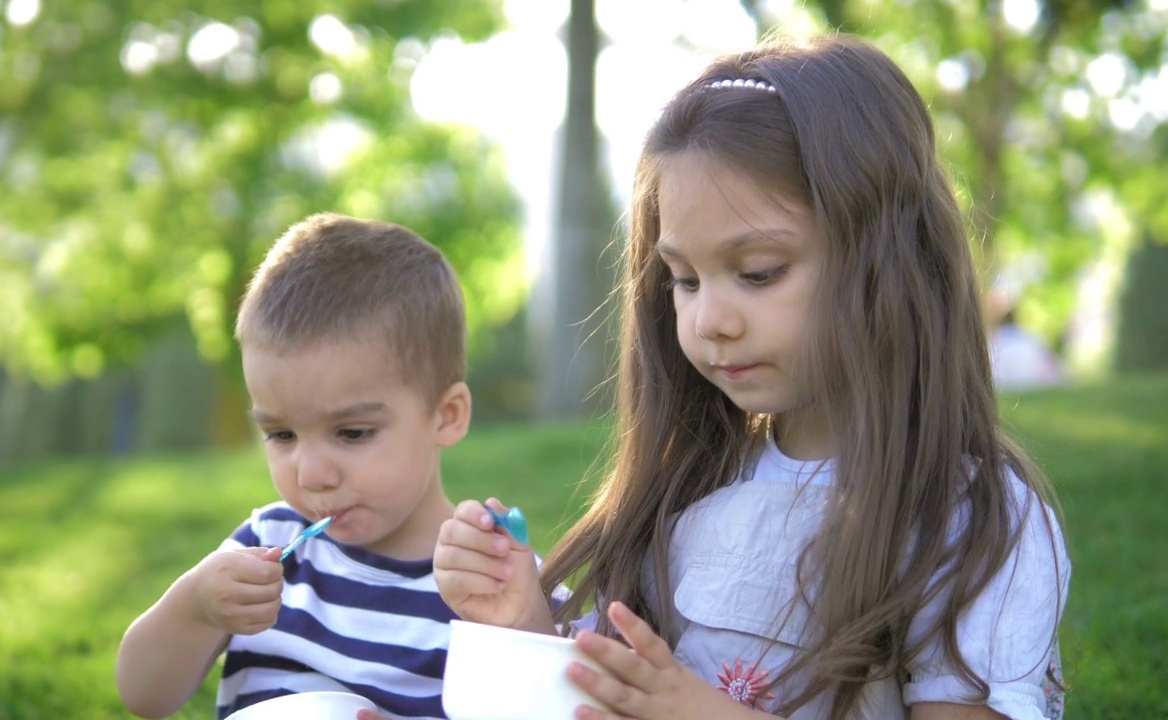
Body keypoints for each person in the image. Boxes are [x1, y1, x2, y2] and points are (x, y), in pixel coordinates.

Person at [434, 35, 1070, 720]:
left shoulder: (968, 519)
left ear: (888, 263)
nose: (711, 319)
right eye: (683, 279)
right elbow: (612, 695)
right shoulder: (694, 484)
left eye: (758, 271)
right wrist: (524, 618)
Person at [116, 213, 473, 720]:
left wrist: (526, 622)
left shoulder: (491, 578)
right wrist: (195, 608)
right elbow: (143, 697)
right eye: (281, 435)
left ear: (447, 416)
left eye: (352, 433)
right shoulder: (266, 547)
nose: (310, 474)